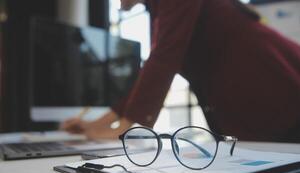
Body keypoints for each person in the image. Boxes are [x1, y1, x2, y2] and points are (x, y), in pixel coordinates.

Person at [61, 0, 300, 142]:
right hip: (259, 93)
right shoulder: (156, 8)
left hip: (276, 84)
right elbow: (154, 66)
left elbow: (164, 57)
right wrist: (101, 123)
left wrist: (123, 129)